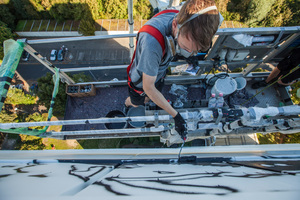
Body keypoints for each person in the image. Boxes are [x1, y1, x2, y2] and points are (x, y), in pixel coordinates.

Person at [125, 0, 222, 139]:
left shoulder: (184, 16)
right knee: (138, 101)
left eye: (194, 51)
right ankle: (127, 104)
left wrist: (191, 53)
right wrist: (175, 115)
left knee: (149, 98)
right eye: (186, 49)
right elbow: (148, 87)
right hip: (141, 81)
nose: (189, 53)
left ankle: (146, 101)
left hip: (158, 73)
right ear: (175, 25)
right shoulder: (152, 43)